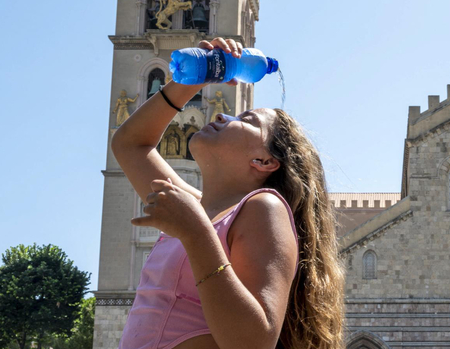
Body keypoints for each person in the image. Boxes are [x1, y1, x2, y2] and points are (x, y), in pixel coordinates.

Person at [112, 37, 346, 349]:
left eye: (246, 120)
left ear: (264, 161)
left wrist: (196, 233)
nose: (223, 115)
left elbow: (255, 341)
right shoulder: (193, 207)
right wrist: (194, 79)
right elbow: (129, 144)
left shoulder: (264, 208)